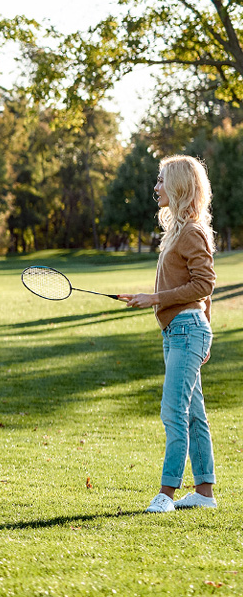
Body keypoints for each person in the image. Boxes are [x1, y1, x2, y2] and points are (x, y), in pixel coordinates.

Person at [118, 154, 218, 513]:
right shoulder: (178, 230)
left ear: (177, 186)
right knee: (192, 413)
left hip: (187, 332)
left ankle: (166, 495)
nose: (156, 187)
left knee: (172, 412)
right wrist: (150, 300)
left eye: (161, 180)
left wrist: (156, 299)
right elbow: (200, 287)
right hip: (181, 332)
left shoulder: (191, 231)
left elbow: (205, 283)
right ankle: (205, 494)